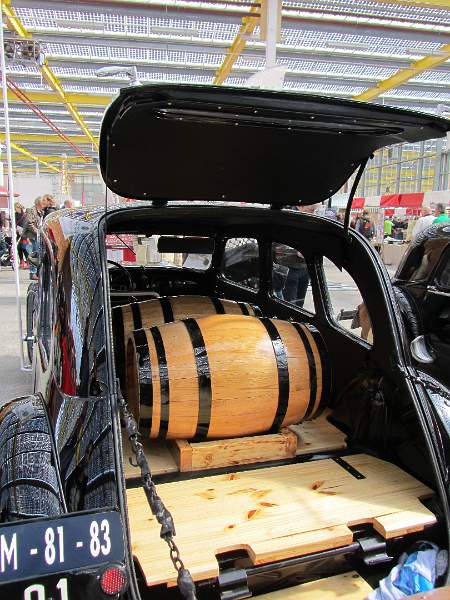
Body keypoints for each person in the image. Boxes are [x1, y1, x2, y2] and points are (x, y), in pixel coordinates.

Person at [22, 196, 44, 280]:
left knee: (37, 254)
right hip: (32, 236)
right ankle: (32, 273)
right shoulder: (31, 210)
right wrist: (37, 231)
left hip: (37, 236)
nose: (44, 204)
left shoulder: (40, 211)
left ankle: (35, 272)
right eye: (43, 202)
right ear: (39, 203)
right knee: (33, 255)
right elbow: (29, 223)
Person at [14, 202, 30, 269]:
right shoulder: (15, 214)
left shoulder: (25, 215)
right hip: (17, 233)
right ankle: (21, 262)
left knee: (24, 248)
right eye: (15, 209)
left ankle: (28, 262)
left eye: (16, 208)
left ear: (19, 207)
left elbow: (26, 224)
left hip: (24, 234)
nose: (15, 210)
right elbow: (14, 223)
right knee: (18, 248)